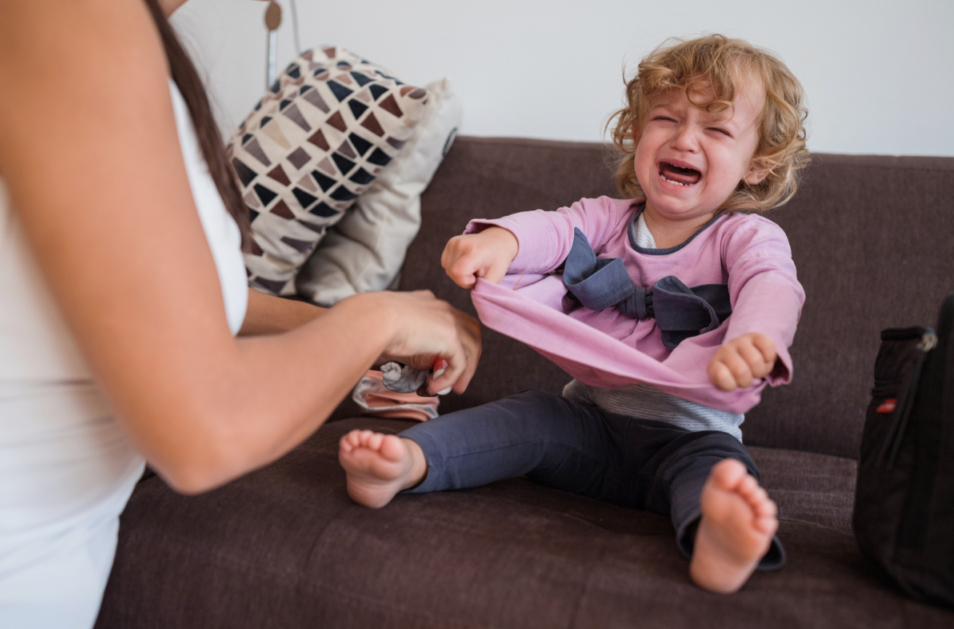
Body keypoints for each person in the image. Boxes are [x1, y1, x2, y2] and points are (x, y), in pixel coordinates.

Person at [0, 0, 480, 629]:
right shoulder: (62, 16)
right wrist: (375, 321)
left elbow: (178, 302)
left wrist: (356, 327)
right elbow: (204, 430)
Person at [338, 34, 809, 594]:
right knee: (530, 415)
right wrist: (503, 242)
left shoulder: (747, 235)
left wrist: (756, 337)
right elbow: (555, 231)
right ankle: (408, 464)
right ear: (636, 130)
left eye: (716, 128)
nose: (685, 139)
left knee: (720, 474)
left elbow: (772, 283)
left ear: (756, 166)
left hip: (688, 437)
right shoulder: (609, 218)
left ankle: (715, 539)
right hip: (589, 429)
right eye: (665, 118)